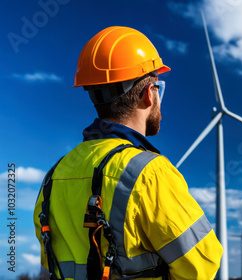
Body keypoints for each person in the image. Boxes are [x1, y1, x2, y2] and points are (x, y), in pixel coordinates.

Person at [33, 26, 223, 280]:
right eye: (158, 87)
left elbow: (49, 264)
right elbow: (202, 264)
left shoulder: (53, 177)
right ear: (149, 94)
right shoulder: (149, 173)